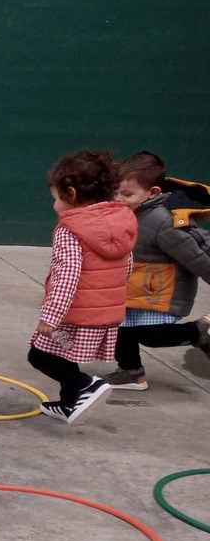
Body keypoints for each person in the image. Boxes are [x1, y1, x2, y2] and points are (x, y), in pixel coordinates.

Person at [28, 149, 137, 423]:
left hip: (75, 313)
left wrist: (50, 316)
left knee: (40, 355)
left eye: (56, 198)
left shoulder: (71, 229)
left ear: (71, 194)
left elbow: (67, 275)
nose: (54, 204)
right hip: (105, 312)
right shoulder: (120, 221)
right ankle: (69, 404)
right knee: (63, 353)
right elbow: (127, 266)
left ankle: (86, 383)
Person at [102, 151, 210, 390]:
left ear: (152, 193)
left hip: (159, 292)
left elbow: (198, 251)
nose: (118, 198)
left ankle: (198, 332)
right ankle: (131, 372)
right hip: (130, 287)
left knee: (150, 335)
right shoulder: (125, 212)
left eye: (127, 194)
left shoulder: (166, 221)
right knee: (119, 328)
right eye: (115, 192)